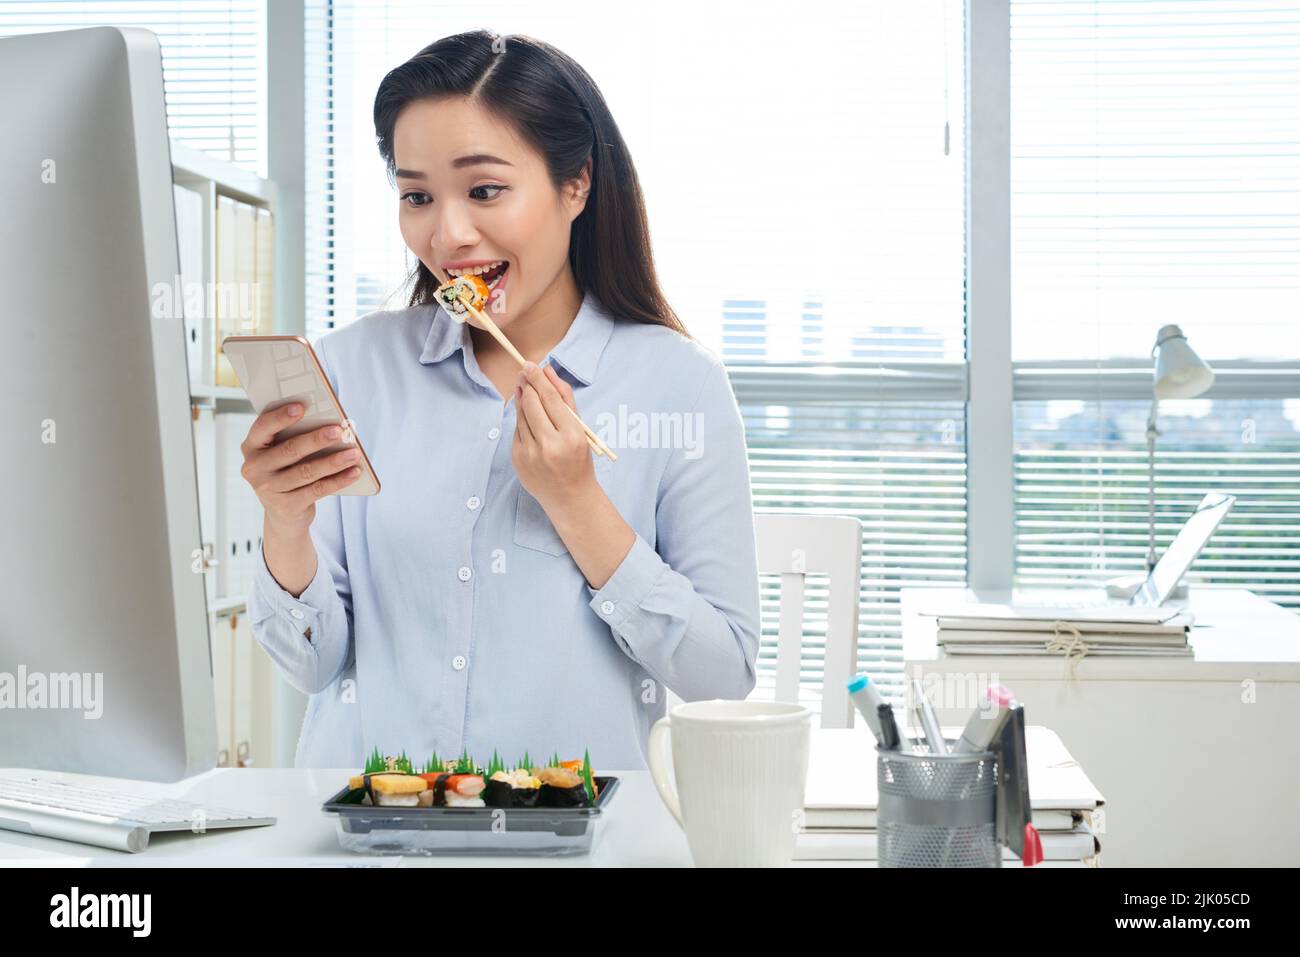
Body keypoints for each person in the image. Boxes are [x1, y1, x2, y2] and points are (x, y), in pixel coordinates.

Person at [241, 31, 760, 769]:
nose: (448, 234)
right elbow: (313, 666)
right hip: (373, 837)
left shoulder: (680, 387)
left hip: (582, 842)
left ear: (575, 183)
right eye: (417, 195)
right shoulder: (348, 370)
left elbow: (722, 676)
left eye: (484, 190)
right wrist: (285, 522)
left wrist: (579, 504)